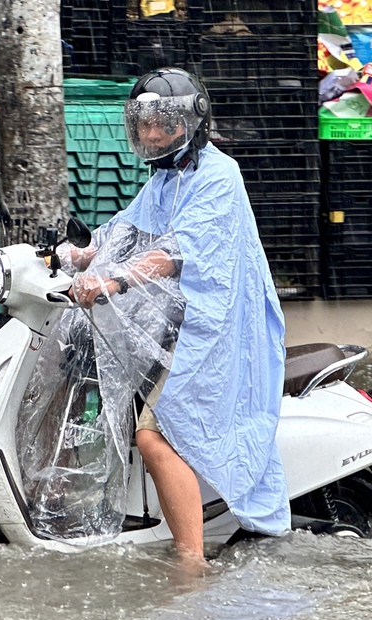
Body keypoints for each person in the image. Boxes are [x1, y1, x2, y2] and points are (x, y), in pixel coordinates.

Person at [57, 68, 290, 568]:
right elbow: (125, 230)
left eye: (163, 124)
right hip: (176, 326)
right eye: (143, 125)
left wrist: (115, 280)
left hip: (219, 330)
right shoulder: (165, 177)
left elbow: (176, 250)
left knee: (154, 434)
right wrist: (79, 255)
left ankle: (191, 564)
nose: (152, 134)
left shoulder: (217, 174)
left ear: (192, 122)